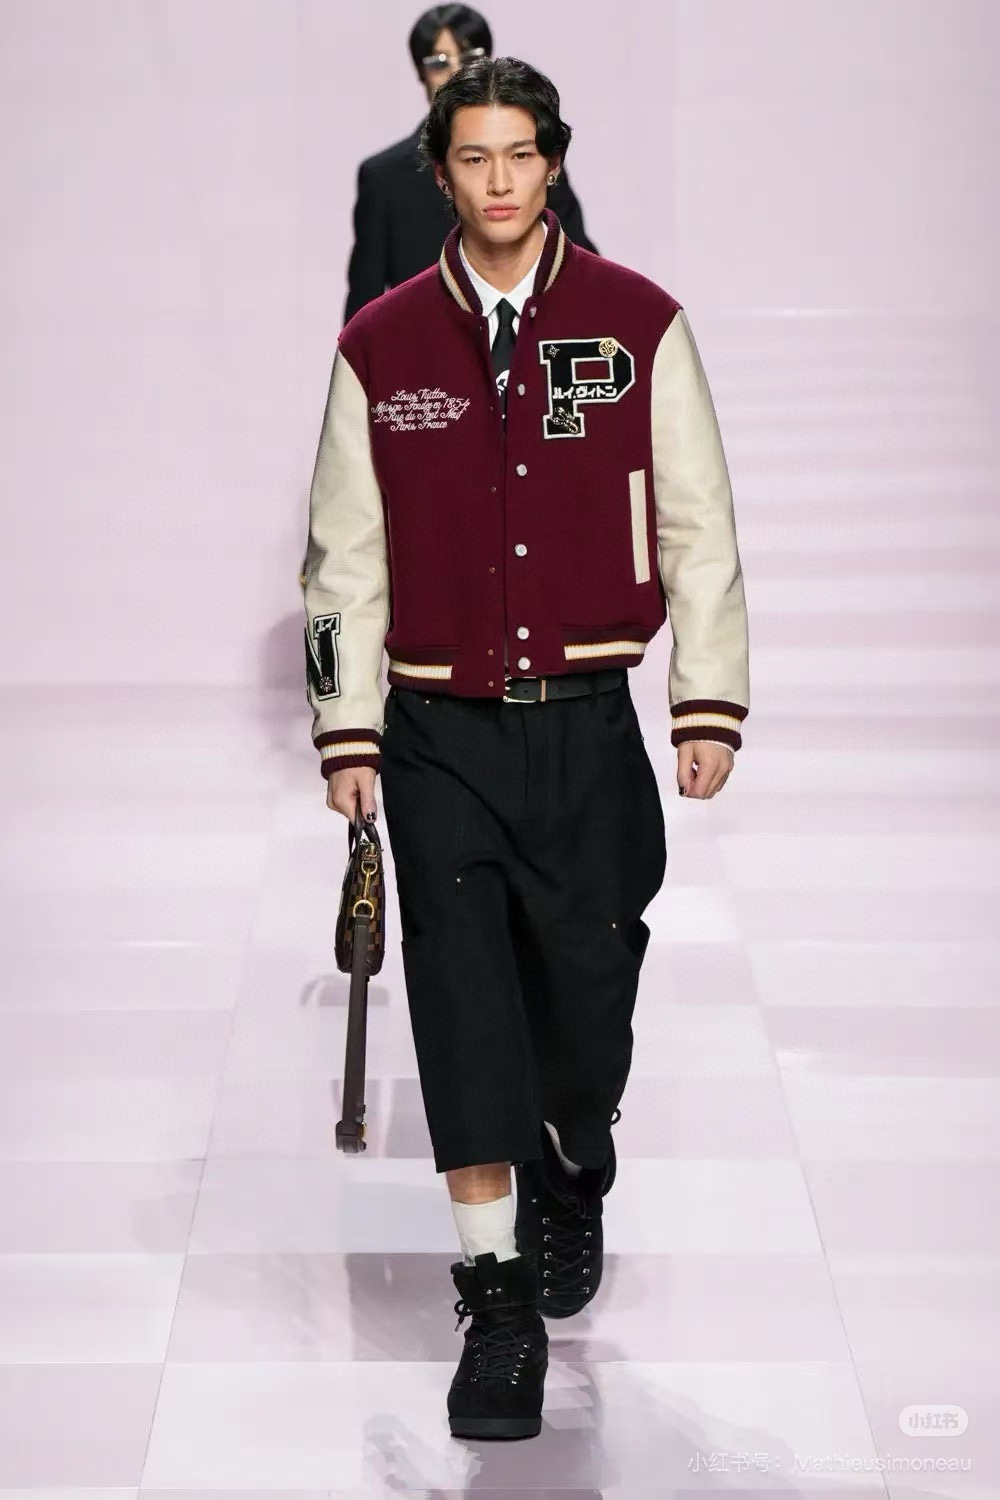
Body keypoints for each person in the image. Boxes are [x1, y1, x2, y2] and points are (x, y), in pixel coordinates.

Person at [302, 56, 749, 1441]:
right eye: (472, 157)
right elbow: (341, 559)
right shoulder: (381, 348)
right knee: (464, 1010)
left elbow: (698, 520)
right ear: (440, 174)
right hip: (436, 734)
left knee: (588, 996)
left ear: (553, 163)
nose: (498, 181)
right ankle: (496, 1308)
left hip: (586, 730)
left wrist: (707, 696)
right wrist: (346, 727)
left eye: (519, 154)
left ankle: (575, 1143)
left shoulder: (638, 323)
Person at [342, 4, 597, 322]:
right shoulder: (385, 178)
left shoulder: (532, 159)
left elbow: (582, 266)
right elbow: (363, 305)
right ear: (421, 73)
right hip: (423, 341)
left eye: (469, 58)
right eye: (439, 62)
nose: (455, 72)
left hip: (530, 336)